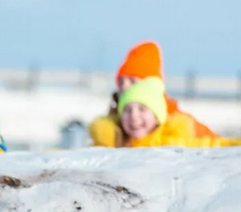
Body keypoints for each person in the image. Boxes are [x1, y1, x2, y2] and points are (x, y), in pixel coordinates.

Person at [88, 41, 219, 147]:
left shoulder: (179, 123)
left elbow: (215, 144)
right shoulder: (110, 123)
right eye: (121, 80)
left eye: (133, 81)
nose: (124, 87)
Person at [116, 77, 239, 148]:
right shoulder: (116, 142)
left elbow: (211, 144)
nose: (134, 116)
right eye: (127, 110)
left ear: (157, 117)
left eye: (142, 109)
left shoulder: (173, 142)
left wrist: (235, 143)